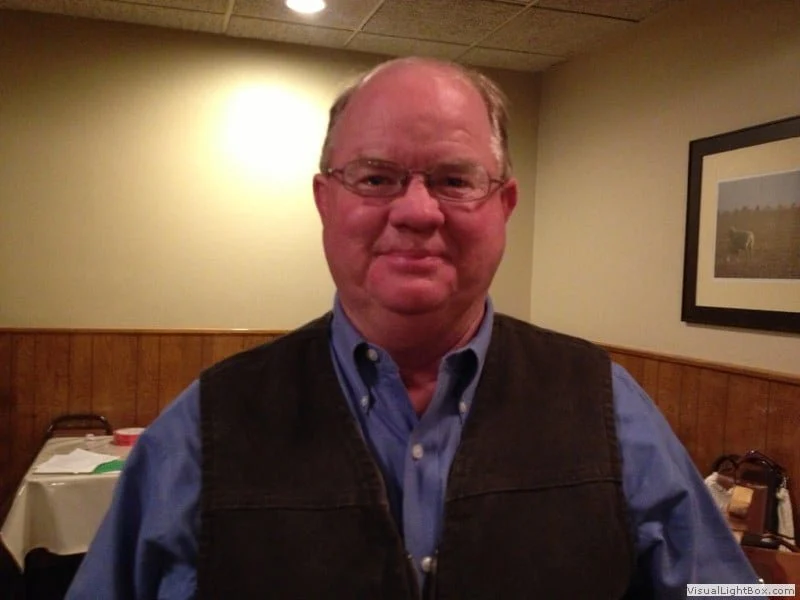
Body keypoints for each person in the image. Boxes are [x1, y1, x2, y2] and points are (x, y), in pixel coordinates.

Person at [66, 57, 760, 599]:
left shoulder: (607, 405)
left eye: (455, 180)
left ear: (504, 206)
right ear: (325, 202)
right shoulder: (205, 427)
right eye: (376, 178)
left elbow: (724, 590)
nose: (418, 211)